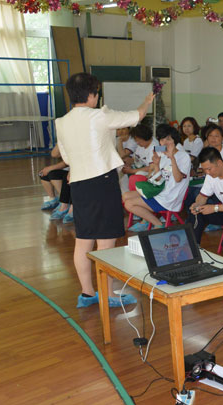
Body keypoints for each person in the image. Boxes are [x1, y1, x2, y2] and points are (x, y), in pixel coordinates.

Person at [54, 72, 154, 307]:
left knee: (83, 240)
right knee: (106, 243)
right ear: (91, 95)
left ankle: (87, 294)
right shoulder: (99, 115)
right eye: (96, 93)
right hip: (102, 182)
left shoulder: (62, 121)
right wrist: (147, 101)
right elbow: (137, 116)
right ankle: (108, 296)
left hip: (78, 183)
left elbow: (67, 156)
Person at [124, 124, 191, 232]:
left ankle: (158, 224)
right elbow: (160, 179)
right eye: (162, 139)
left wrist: (172, 158)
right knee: (126, 196)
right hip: (160, 191)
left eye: (168, 139)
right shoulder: (162, 154)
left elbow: (178, 179)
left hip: (169, 197)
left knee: (129, 203)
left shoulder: (183, 156)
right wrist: (156, 165)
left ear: (175, 140)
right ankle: (147, 219)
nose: (165, 142)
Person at [39, 144, 67, 210]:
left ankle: (64, 201)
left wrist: (50, 168)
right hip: (67, 169)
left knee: (53, 175)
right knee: (43, 174)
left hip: (75, 171)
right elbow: (54, 154)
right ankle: (53, 199)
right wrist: (60, 140)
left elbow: (67, 163)